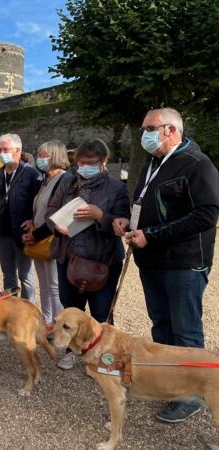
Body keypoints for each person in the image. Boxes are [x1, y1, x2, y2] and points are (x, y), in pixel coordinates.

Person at [113, 108, 219, 423]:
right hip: (152, 260)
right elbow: (144, 204)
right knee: (162, 325)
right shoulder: (153, 164)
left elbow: (206, 214)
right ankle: (169, 383)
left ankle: (192, 395)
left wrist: (153, 234)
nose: (143, 132)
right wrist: (127, 223)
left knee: (186, 332)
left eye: (149, 127)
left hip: (183, 263)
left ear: (170, 129)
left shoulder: (197, 165)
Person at [46, 139, 130, 370]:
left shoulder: (116, 188)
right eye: (80, 162)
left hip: (101, 260)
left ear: (104, 162)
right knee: (71, 307)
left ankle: (107, 357)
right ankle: (75, 350)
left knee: (102, 312)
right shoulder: (66, 181)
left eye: (91, 163)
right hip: (68, 256)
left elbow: (123, 223)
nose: (84, 167)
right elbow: (51, 211)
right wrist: (57, 226)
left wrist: (100, 216)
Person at [22, 140, 70, 329]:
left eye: (44, 155)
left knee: (55, 285)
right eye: (39, 154)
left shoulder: (64, 180)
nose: (40, 158)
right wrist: (31, 221)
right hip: (39, 236)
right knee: (43, 283)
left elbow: (58, 215)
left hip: (51, 238)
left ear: (56, 156)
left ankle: (58, 324)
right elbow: (39, 207)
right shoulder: (44, 180)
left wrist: (37, 234)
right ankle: (47, 320)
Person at [0, 133, 40, 302]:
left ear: (18, 150)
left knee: (25, 276)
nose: (1, 153)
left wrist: (33, 220)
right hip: (2, 233)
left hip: (22, 232)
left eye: (5, 149)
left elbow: (39, 201)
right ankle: (10, 309)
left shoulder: (31, 174)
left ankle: (28, 309)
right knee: (8, 274)